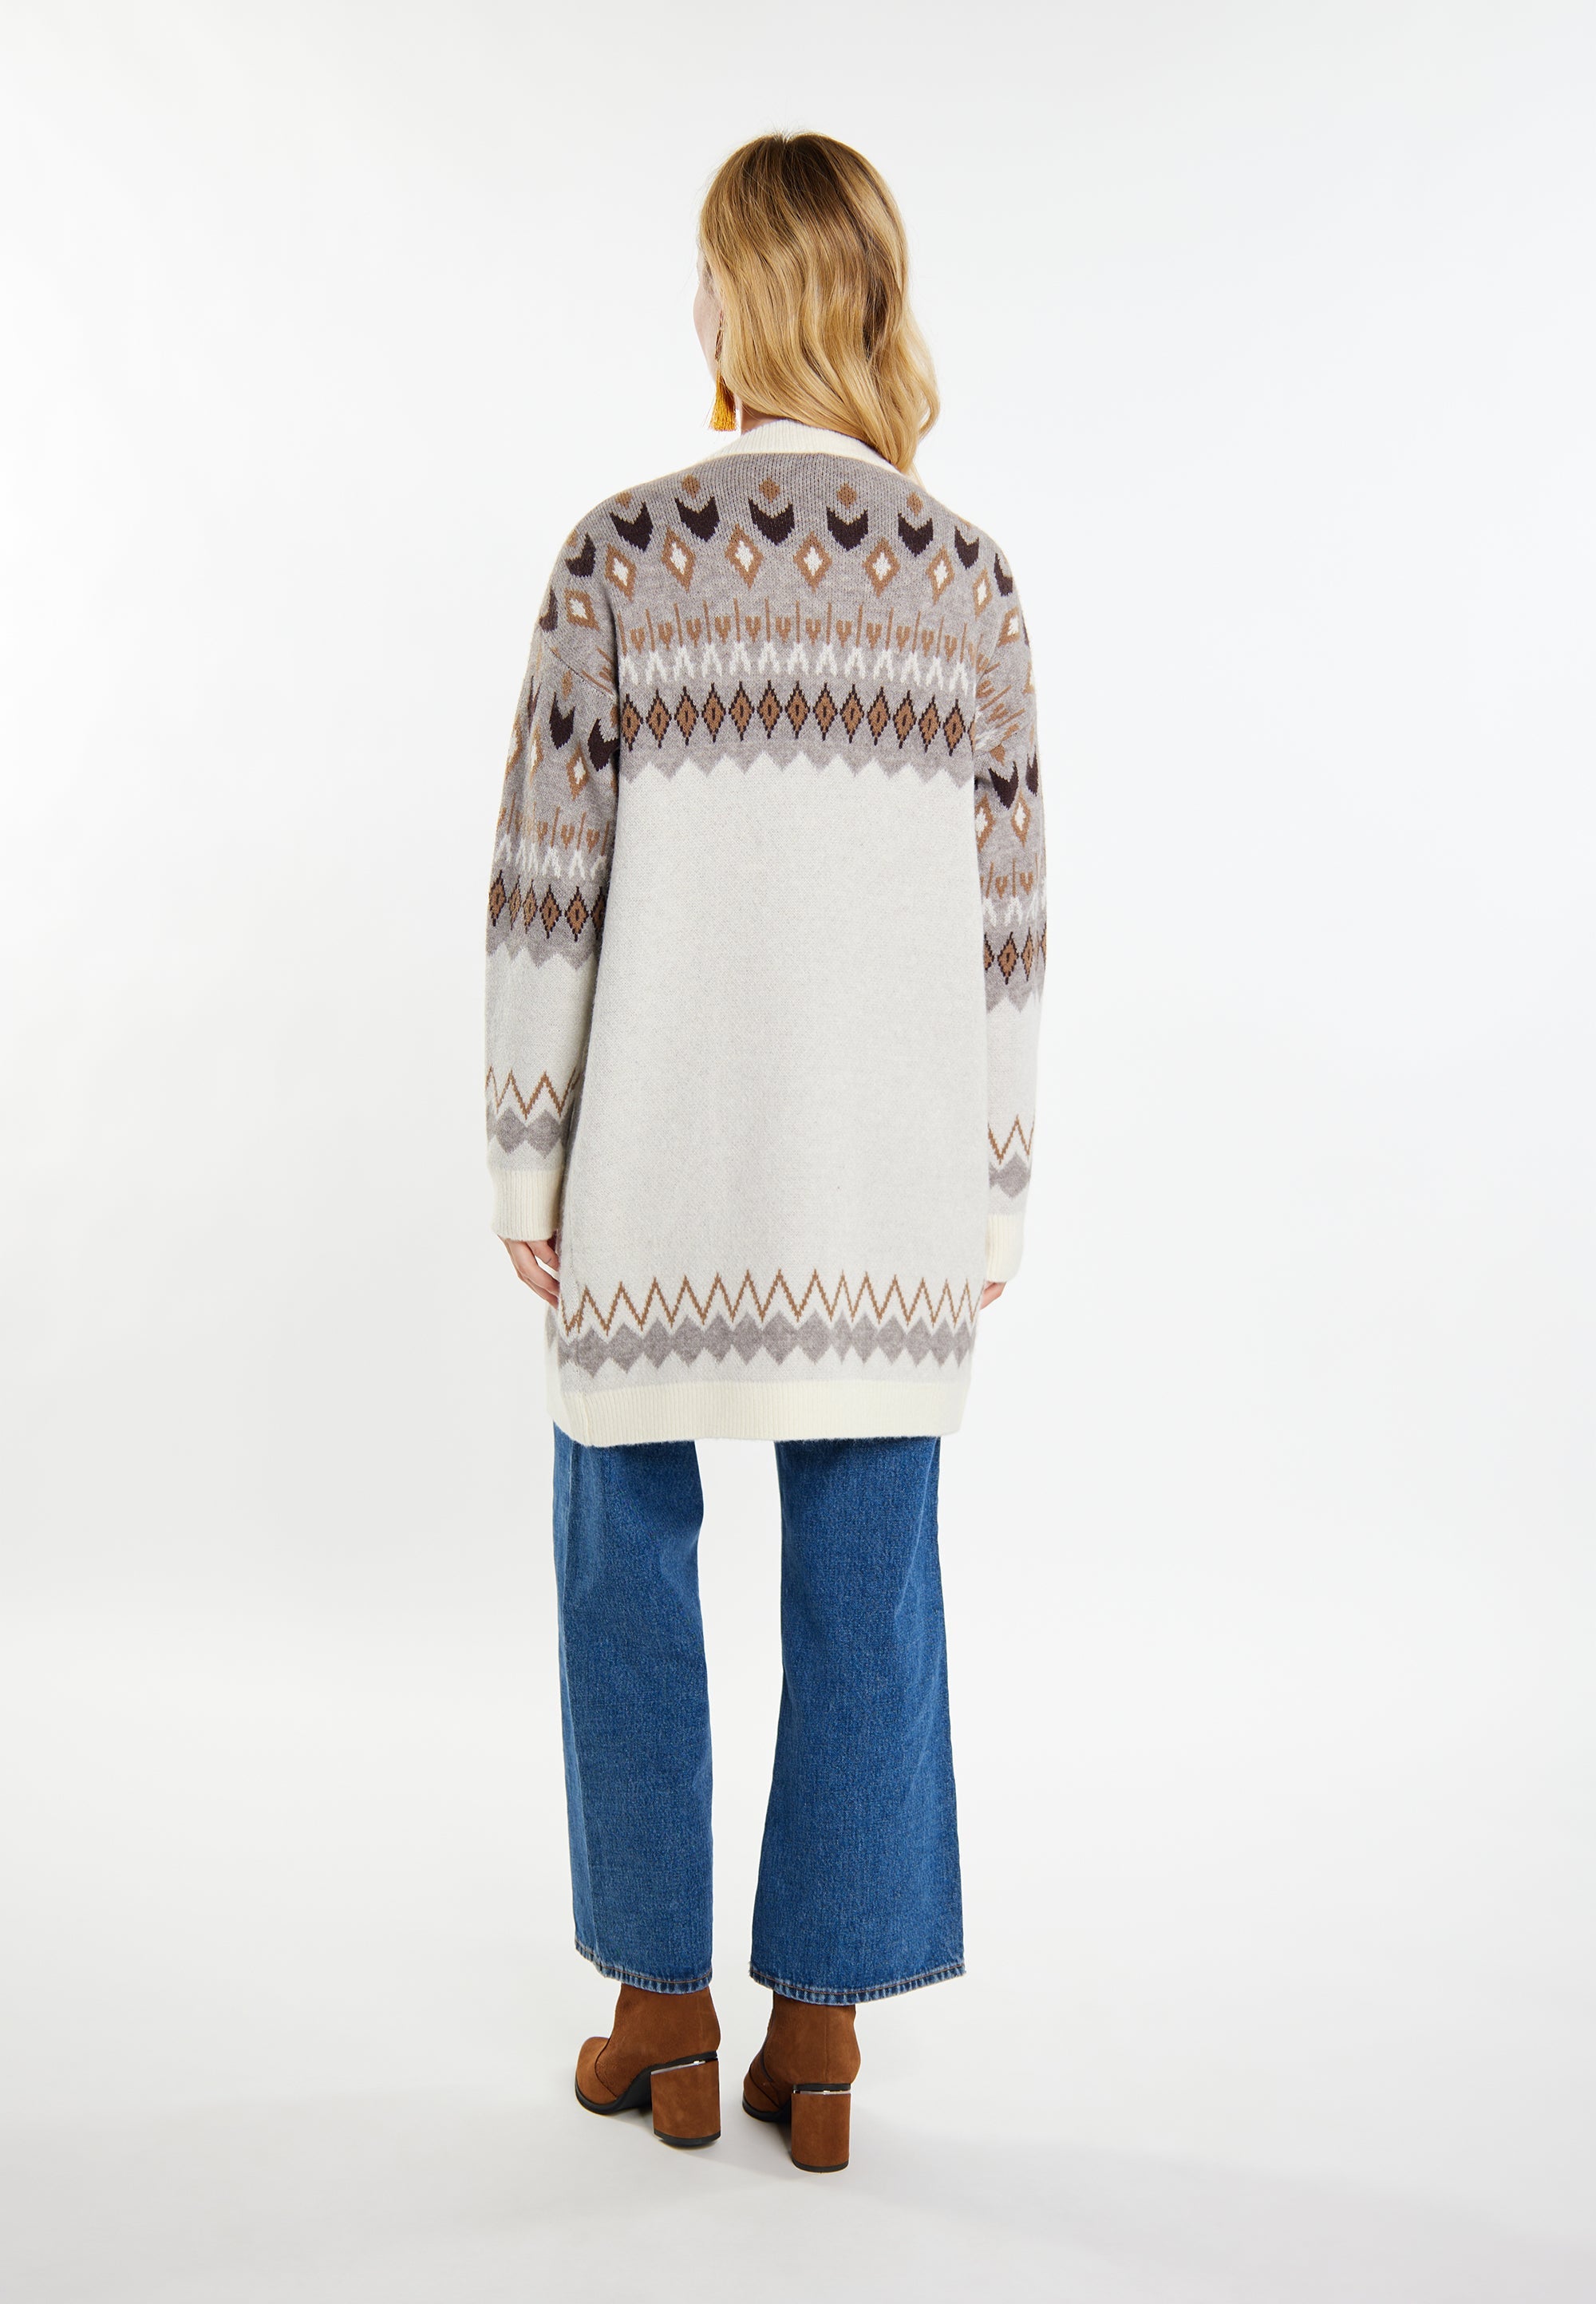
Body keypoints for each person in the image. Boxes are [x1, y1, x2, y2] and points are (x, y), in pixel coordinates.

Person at [484, 131, 1045, 2172]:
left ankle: (660, 2007)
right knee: (869, 1577)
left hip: (655, 1172)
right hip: (883, 1191)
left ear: (734, 300)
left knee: (618, 1553)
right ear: (874, 301)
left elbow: (546, 883)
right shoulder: (969, 586)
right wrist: (991, 1183)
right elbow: (1008, 923)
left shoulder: (621, 555)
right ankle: (820, 2033)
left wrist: (525, 1159)